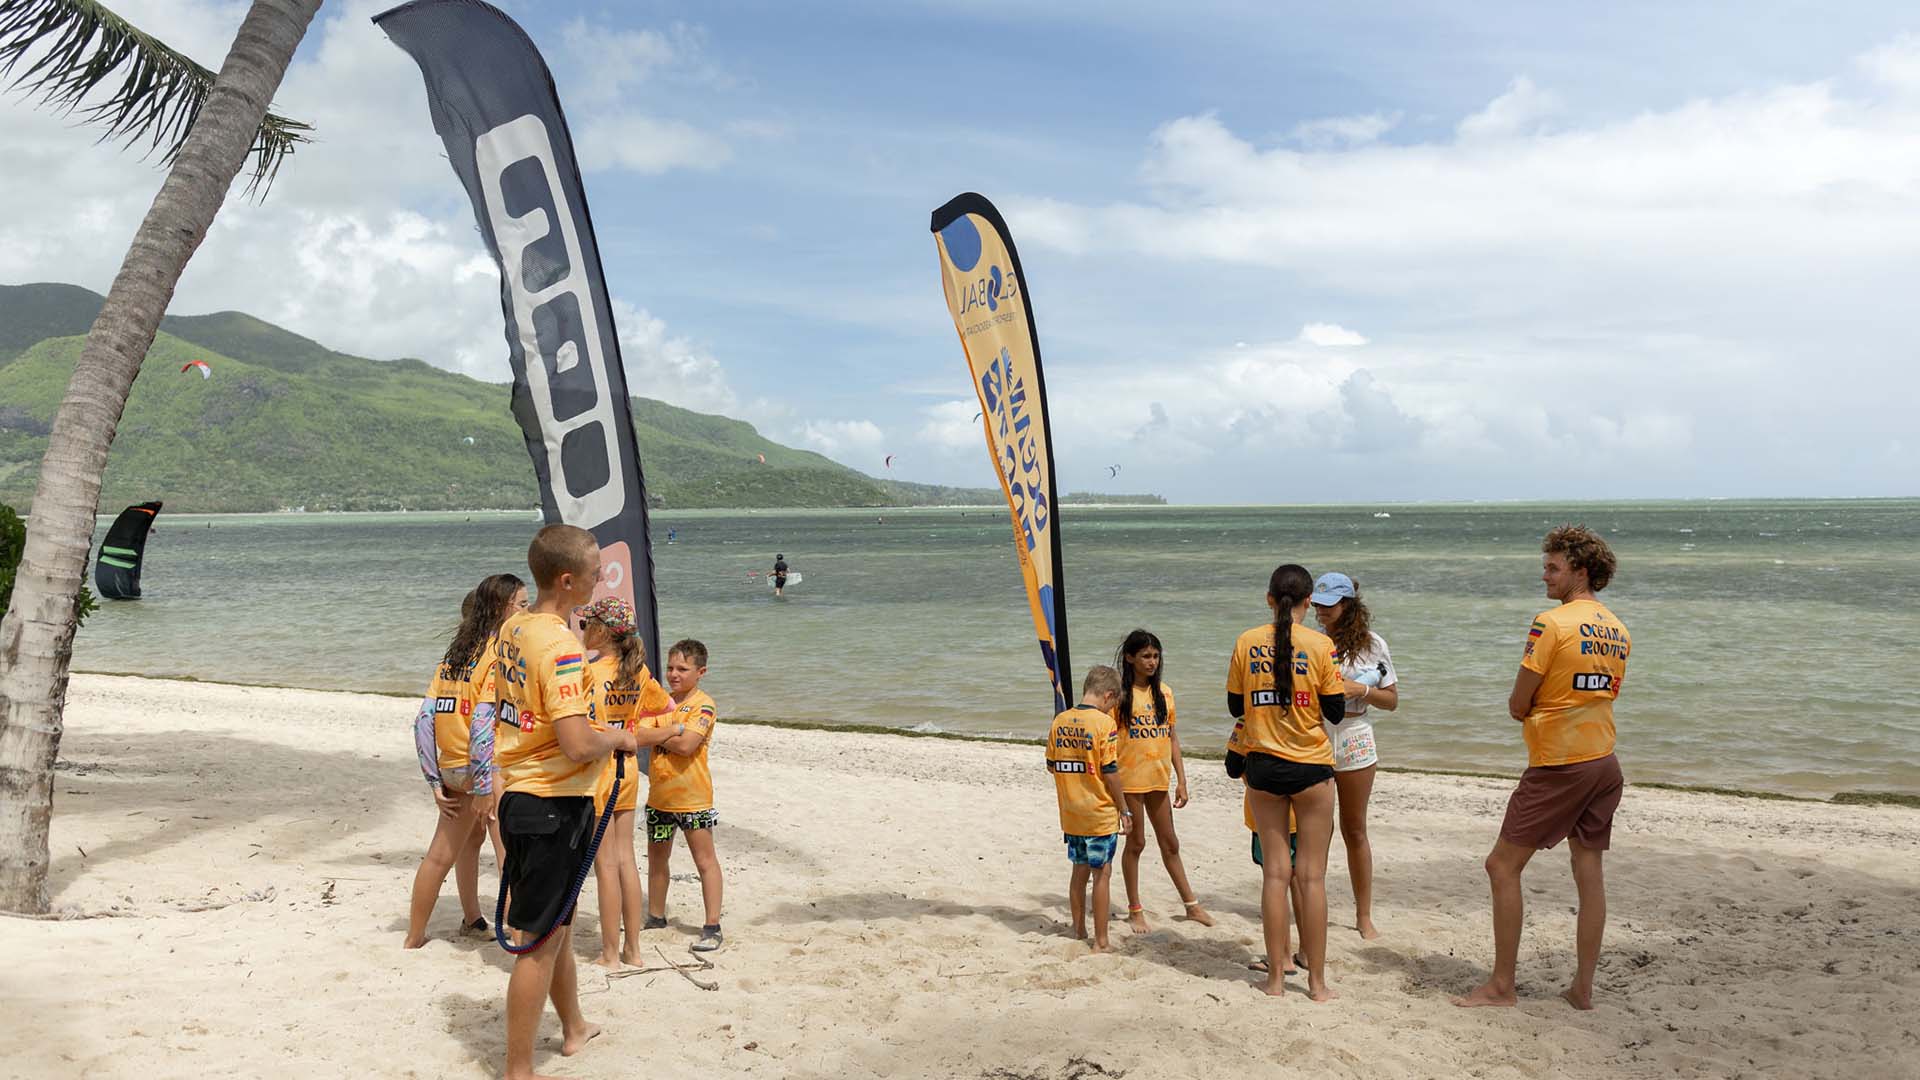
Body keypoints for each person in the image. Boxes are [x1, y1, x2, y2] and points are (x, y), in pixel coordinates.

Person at [1456, 525, 1630, 1012]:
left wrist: (1527, 711)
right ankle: (1582, 989)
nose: (1544, 575)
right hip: (1604, 759)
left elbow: (1519, 701)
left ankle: (1501, 985)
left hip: (1560, 763)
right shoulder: (1618, 628)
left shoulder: (1551, 624)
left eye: (1553, 567)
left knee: (1501, 865)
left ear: (1581, 570)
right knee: (1588, 869)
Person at [493, 525, 639, 1080]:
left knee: (554, 929)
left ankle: (574, 1026)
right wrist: (617, 738)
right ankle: (519, 1069)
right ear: (568, 580)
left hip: (521, 795)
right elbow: (578, 745)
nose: (603, 579)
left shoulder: (515, 628)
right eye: (597, 571)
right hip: (554, 803)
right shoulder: (562, 647)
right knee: (537, 945)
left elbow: (524, 710)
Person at [1226, 563, 1348, 1001]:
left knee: (1275, 876)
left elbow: (1234, 704)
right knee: (1311, 879)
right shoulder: (1320, 645)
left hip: (1262, 767)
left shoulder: (1246, 641)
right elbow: (1334, 712)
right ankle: (1316, 985)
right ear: (1309, 602)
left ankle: (1275, 981)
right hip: (1311, 767)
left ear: (1269, 599)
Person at [404, 573, 524, 949]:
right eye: (522, 604)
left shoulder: (452, 659)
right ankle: (517, 935)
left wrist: (435, 780)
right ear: (502, 610)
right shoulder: (494, 657)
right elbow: (484, 726)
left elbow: (423, 721)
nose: (527, 610)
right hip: (486, 770)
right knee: (509, 857)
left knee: (442, 855)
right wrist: (486, 787)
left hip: (452, 769)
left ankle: (419, 935)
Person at [576, 598, 681, 968]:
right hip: (629, 769)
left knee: (605, 865)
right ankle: (633, 950)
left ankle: (609, 954)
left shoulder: (591, 673)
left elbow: (581, 729)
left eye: (587, 621)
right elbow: (668, 708)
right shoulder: (637, 671)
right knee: (626, 860)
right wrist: (633, 729)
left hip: (599, 771)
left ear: (602, 629)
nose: (582, 626)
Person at [1309, 572, 1399, 940]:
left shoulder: (1373, 645)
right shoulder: (1311, 641)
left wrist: (1360, 688)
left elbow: (1392, 700)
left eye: (1328, 606)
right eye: (1316, 604)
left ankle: (1363, 915)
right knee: (1317, 830)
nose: (1320, 611)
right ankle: (1314, 905)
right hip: (1314, 734)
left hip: (1355, 734)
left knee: (1354, 829)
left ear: (1347, 605)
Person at [1111, 629, 1212, 932]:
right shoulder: (1120, 696)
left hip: (1158, 780)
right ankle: (1134, 909)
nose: (1152, 662)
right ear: (1130, 658)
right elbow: (1106, 739)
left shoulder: (1165, 693)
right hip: (1129, 782)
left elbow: (1172, 737)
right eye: (1145, 656)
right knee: (1137, 843)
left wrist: (1181, 779)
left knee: (1170, 843)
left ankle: (1191, 906)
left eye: (1156, 656)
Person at [642, 639, 726, 952]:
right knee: (657, 860)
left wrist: (664, 734)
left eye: (682, 669)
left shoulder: (703, 704)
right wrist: (673, 730)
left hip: (694, 800)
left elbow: (688, 745)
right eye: (671, 667)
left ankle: (712, 926)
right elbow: (638, 735)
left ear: (700, 672)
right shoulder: (658, 701)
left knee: (704, 861)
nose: (674, 674)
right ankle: (656, 917)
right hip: (660, 800)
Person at [1047, 665, 1130, 952]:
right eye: (1113, 703)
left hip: (1072, 814)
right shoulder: (1104, 724)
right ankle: (1102, 941)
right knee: (1102, 875)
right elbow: (1110, 770)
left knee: (1078, 872)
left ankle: (1079, 930)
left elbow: (1051, 765)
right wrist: (1124, 809)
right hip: (1099, 813)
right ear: (1108, 695)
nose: (1112, 709)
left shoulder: (1060, 720)